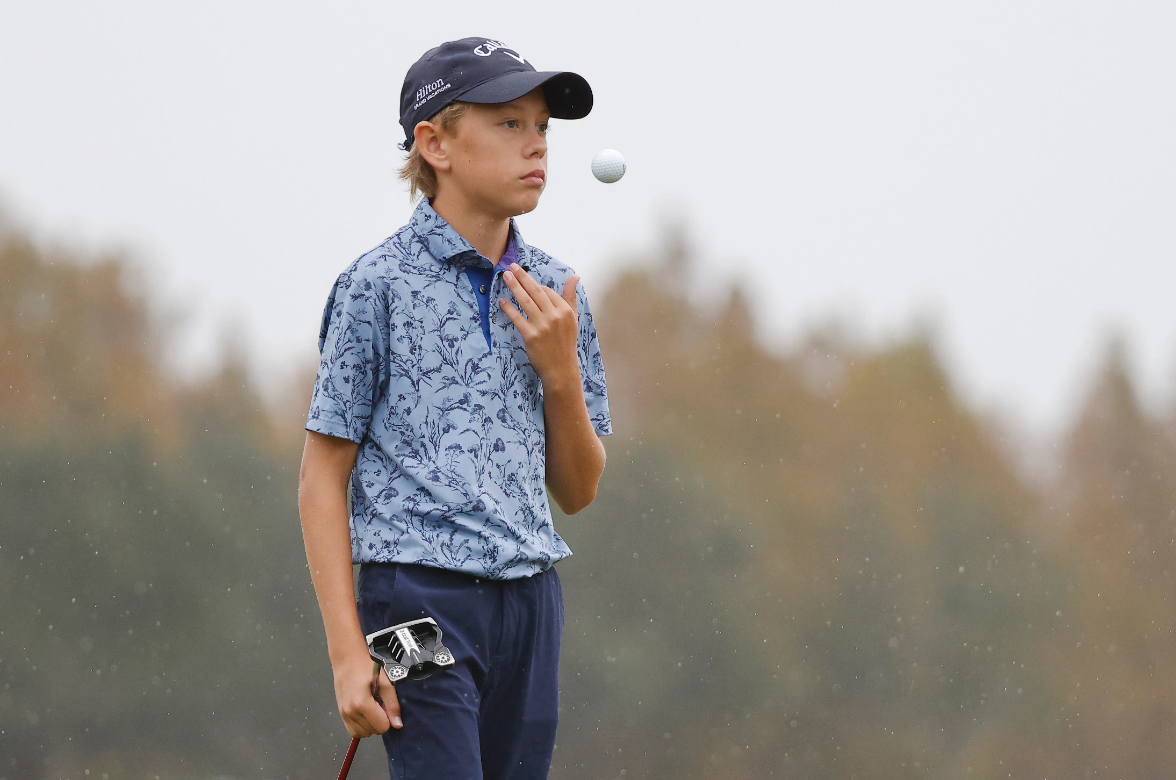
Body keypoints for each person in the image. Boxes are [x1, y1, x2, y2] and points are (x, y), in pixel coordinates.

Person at [297, 37, 611, 780]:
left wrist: (561, 373)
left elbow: (578, 490)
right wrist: (348, 658)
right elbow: (320, 479)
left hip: (532, 603)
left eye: (542, 126)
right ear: (435, 144)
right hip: (413, 597)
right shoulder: (375, 287)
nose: (536, 144)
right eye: (509, 124)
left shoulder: (559, 294)